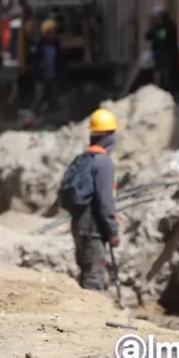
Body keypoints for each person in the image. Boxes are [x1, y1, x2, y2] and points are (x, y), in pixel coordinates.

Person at [62, 109, 120, 291]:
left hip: (79, 227)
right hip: (93, 230)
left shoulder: (83, 159)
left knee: (86, 273)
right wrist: (112, 231)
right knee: (93, 280)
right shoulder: (103, 163)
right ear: (108, 136)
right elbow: (105, 202)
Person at [31, 19, 64, 113]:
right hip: (42, 77)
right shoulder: (40, 45)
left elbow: (60, 60)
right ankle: (34, 114)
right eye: (51, 32)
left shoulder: (56, 45)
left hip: (53, 76)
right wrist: (39, 71)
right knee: (39, 96)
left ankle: (52, 115)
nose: (53, 34)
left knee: (54, 97)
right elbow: (36, 61)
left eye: (54, 32)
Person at [146, 7, 179, 95]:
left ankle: (168, 92)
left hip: (168, 55)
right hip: (158, 55)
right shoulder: (157, 27)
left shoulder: (169, 26)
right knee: (159, 75)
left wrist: (156, 32)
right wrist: (152, 26)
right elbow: (147, 36)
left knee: (167, 76)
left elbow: (164, 38)